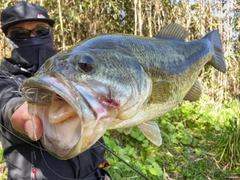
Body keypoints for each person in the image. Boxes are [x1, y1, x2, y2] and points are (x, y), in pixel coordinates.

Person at [0, 2, 111, 179]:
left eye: (41, 31)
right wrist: (24, 113)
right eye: (20, 34)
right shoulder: (4, 77)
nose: (33, 37)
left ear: (51, 32)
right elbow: (8, 106)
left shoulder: (77, 64)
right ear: (7, 38)